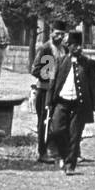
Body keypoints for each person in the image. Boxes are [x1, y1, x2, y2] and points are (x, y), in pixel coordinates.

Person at [46, 31, 95, 174]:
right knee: (57, 131)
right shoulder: (58, 61)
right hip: (61, 103)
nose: (78, 48)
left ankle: (70, 165)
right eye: (74, 46)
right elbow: (52, 84)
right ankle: (64, 156)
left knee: (75, 135)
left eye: (79, 45)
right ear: (68, 46)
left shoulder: (89, 63)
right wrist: (48, 102)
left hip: (79, 105)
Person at [30, 26, 66, 164]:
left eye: (62, 34)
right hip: (45, 90)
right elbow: (36, 70)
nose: (60, 37)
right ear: (51, 33)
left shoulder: (64, 49)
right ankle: (42, 152)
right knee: (43, 122)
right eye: (57, 34)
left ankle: (55, 149)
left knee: (58, 121)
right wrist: (50, 76)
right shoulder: (46, 49)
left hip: (60, 91)